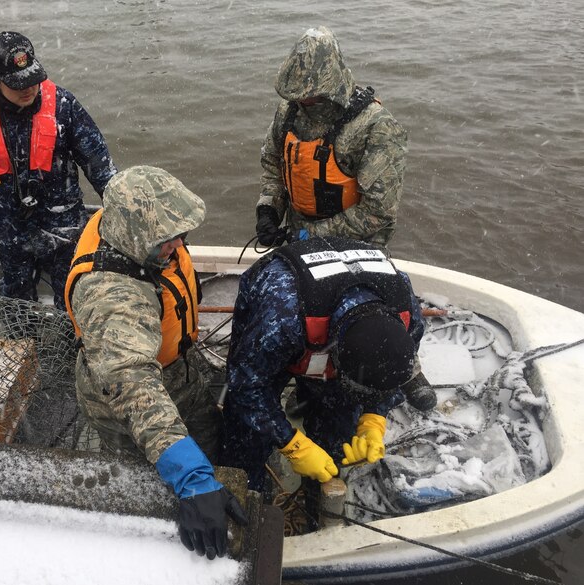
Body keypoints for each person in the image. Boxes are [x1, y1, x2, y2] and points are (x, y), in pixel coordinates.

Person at [64, 165, 248, 559]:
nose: (178, 244)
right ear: (134, 235)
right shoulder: (112, 297)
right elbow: (132, 386)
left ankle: (205, 465)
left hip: (179, 371)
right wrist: (192, 479)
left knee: (208, 433)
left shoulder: (124, 225)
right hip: (126, 397)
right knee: (150, 481)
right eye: (167, 239)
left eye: (180, 234)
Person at [220, 235, 435, 497]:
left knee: (338, 431)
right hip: (285, 307)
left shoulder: (406, 312)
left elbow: (393, 375)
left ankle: (316, 498)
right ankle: (249, 491)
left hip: (333, 330)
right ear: (336, 358)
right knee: (245, 431)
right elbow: (246, 385)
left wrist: (374, 418)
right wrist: (291, 444)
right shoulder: (282, 318)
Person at [0, 31, 117, 309]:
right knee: (17, 300)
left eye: (32, 79)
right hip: (8, 227)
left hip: (63, 226)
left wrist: (120, 208)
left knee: (73, 296)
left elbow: (99, 163)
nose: (28, 89)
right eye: (17, 84)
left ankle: (67, 334)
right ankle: (23, 333)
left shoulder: (63, 105)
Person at [255, 26, 407, 250]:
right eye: (296, 96)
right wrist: (268, 209)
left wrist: (308, 235)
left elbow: (377, 212)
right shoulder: (289, 112)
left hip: (357, 245)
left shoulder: (377, 127)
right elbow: (273, 165)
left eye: (308, 96)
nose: (301, 102)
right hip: (298, 239)